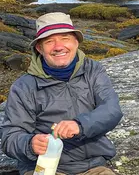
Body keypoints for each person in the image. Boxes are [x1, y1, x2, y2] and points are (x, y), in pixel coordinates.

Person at [0, 12, 123, 175]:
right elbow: (10, 136)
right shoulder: (24, 86)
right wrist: (29, 144)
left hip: (95, 167)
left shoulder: (93, 71)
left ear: (76, 42)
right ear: (39, 48)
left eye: (65, 38)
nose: (58, 47)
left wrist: (80, 125)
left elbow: (112, 110)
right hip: (47, 168)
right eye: (49, 41)